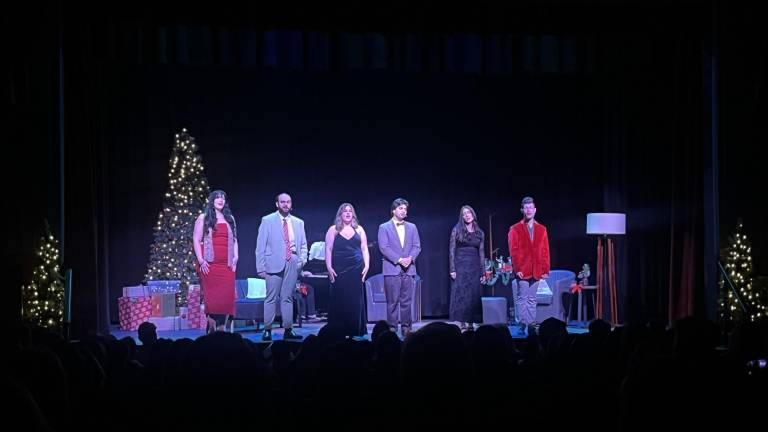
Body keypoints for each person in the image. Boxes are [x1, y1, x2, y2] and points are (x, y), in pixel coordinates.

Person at [255, 193, 307, 341]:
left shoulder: (298, 222)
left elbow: (303, 245)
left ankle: (288, 329)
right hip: (273, 263)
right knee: (271, 298)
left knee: (287, 298)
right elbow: (260, 247)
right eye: (282, 202)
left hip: (292, 262)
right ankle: (267, 329)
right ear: (277, 204)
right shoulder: (267, 220)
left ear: (291, 204)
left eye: (288, 202)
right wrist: (261, 267)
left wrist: (301, 261)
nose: (285, 204)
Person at [193, 190, 238, 333]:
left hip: (227, 265)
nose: (221, 200)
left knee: (226, 299)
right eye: (217, 198)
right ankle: (212, 329)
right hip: (210, 265)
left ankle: (222, 329)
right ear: (212, 200)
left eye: (223, 198)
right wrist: (201, 261)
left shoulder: (229, 218)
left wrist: (236, 257)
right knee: (213, 300)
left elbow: (235, 240)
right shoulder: (204, 217)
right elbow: (196, 239)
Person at [324, 203, 370, 338]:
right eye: (345, 211)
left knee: (355, 300)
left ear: (353, 214)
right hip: (339, 268)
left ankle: (355, 329)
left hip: (356, 269)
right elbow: (328, 249)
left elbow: (364, 249)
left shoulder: (360, 229)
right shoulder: (333, 229)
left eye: (350, 211)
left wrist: (367, 265)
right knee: (339, 299)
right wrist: (329, 267)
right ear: (340, 214)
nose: (348, 213)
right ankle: (339, 330)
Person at [378, 198, 421, 336]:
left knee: (407, 302)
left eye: (405, 209)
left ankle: (406, 328)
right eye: (401, 208)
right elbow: (384, 247)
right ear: (393, 210)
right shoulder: (384, 227)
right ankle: (392, 328)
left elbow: (417, 246)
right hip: (392, 269)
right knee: (392, 302)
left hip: (409, 269)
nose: (403, 211)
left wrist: (410, 258)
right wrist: (400, 260)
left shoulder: (412, 227)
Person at [507, 196, 550, 333]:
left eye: (531, 207)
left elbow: (545, 250)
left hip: (537, 269)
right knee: (522, 298)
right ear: (522, 210)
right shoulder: (515, 228)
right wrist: (517, 268)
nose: (529, 210)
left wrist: (545, 269)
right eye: (526, 208)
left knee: (532, 299)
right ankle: (521, 325)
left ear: (535, 210)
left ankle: (531, 325)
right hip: (523, 270)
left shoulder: (542, 229)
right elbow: (513, 250)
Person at [449, 205, 485, 331]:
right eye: (464, 214)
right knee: (462, 295)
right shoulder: (457, 230)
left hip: (474, 267)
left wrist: (483, 272)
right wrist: (452, 269)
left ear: (473, 214)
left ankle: (471, 322)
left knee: (473, 295)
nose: (467, 215)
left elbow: (481, 253)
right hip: (460, 266)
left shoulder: (479, 232)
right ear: (462, 217)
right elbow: (452, 250)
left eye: (469, 212)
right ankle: (462, 322)